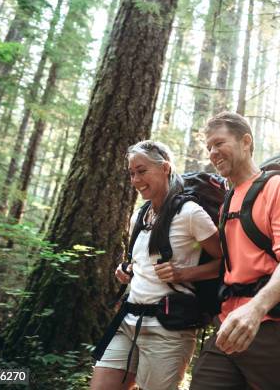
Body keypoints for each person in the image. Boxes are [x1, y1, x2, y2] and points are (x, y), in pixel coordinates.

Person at [190, 112, 280, 390]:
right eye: (209, 147)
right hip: (228, 324)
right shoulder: (227, 201)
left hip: (275, 326)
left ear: (246, 142)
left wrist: (256, 309)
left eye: (219, 143)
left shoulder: (278, 186)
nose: (213, 152)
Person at [90, 140, 222, 390]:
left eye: (141, 171)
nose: (135, 179)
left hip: (169, 329)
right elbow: (142, 262)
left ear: (165, 168)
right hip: (127, 321)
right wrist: (126, 269)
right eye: (131, 173)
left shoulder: (191, 213)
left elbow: (226, 263)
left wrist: (185, 273)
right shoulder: (139, 216)